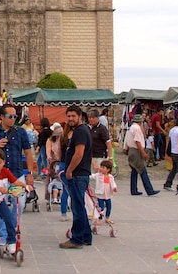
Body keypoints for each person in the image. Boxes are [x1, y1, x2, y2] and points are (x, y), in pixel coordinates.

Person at [0, 104, 37, 247]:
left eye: (15, 117)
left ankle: (11, 227)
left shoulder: (20, 132)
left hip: (17, 173)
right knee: (0, 204)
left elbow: (28, 153)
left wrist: (30, 173)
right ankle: (4, 234)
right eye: (10, 116)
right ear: (1, 117)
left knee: (21, 203)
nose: (13, 119)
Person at [59, 105, 93, 249]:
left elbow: (79, 153)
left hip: (78, 174)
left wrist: (69, 171)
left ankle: (77, 239)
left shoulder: (80, 132)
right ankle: (86, 236)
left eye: (73, 116)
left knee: (77, 207)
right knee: (79, 206)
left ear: (80, 116)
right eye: (69, 116)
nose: (71, 119)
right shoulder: (81, 130)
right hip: (79, 174)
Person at [124, 114, 159, 196]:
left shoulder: (132, 127)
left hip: (132, 150)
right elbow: (137, 141)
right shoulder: (137, 128)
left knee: (134, 170)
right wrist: (143, 153)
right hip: (136, 151)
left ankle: (133, 189)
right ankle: (149, 190)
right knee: (142, 169)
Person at [92, 159, 117, 225]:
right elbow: (91, 176)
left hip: (108, 195)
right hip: (100, 195)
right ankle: (99, 218)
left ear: (108, 169)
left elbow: (113, 183)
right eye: (101, 167)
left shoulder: (110, 177)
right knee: (101, 207)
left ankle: (107, 217)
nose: (101, 169)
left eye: (103, 168)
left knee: (109, 206)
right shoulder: (98, 175)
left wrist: (114, 188)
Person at [164, 118, 178, 191]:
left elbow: (168, 140)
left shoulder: (172, 130)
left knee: (174, 168)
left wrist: (167, 151)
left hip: (173, 151)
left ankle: (168, 183)